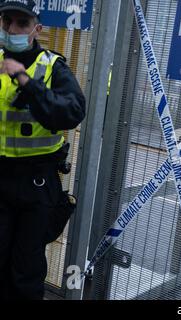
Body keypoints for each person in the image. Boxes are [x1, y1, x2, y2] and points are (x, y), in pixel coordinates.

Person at [0, 0, 85, 300]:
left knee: (25, 273)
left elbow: (71, 111)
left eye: (21, 23)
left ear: (37, 28)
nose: (11, 29)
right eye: (6, 21)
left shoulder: (52, 67)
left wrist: (25, 81)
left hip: (36, 185)